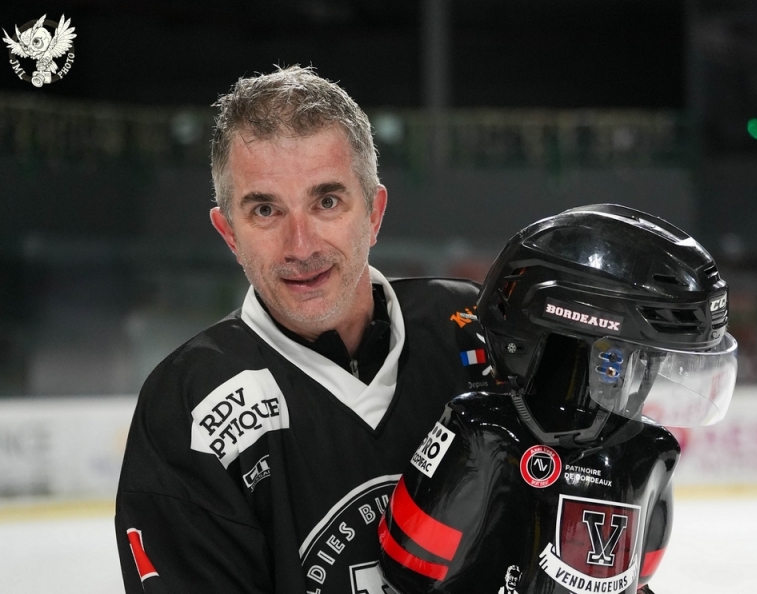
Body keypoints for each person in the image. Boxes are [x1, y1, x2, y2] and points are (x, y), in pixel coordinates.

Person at [114, 65, 496, 594]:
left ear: (374, 213)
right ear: (229, 233)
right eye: (266, 210)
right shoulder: (189, 405)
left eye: (327, 202)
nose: (301, 246)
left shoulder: (471, 335)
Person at [379, 204, 738, 594]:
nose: (646, 377)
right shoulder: (648, 454)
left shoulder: (484, 426)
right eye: (644, 358)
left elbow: (408, 558)